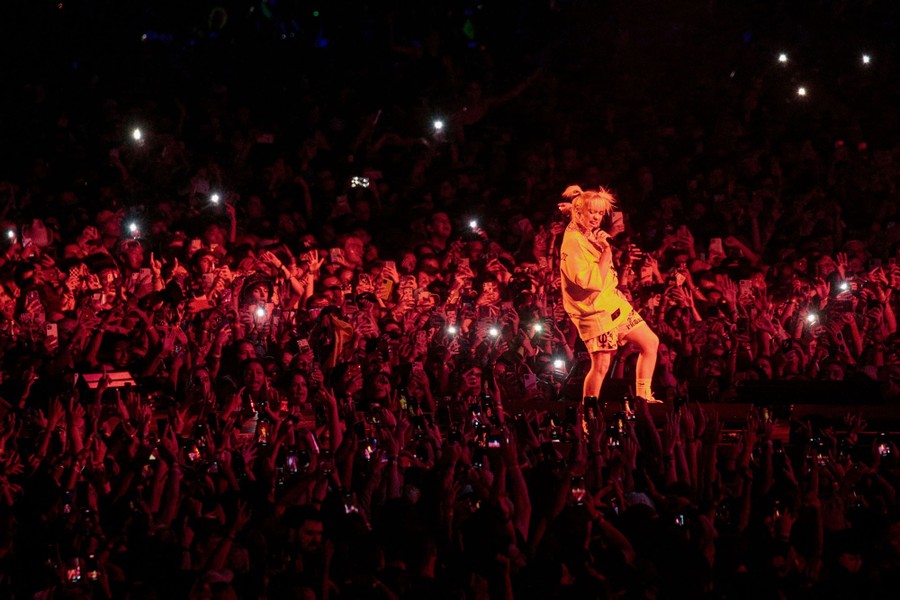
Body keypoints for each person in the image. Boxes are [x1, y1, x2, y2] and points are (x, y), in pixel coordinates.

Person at [558, 185, 660, 403]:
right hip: (592, 310)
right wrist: (606, 251)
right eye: (591, 212)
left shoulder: (579, 225)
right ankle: (589, 412)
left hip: (611, 300)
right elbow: (591, 282)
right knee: (602, 365)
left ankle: (643, 396)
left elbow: (580, 214)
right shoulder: (573, 243)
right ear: (579, 212)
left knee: (650, 343)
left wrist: (572, 207)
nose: (596, 218)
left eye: (599, 213)